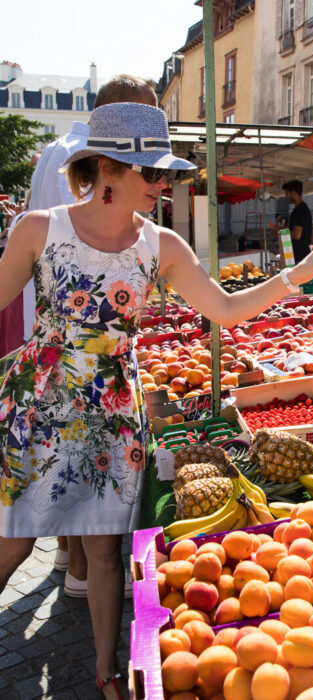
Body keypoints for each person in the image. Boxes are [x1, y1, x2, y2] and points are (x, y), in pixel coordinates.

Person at [0, 102, 313, 700]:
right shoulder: (38, 228)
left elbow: (229, 309)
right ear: (107, 168)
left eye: (166, 173)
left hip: (114, 413)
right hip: (43, 405)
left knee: (107, 550)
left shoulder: (159, 245)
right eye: (152, 172)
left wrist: (300, 272)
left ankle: (107, 671)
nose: (164, 184)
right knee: (15, 539)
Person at [23, 75, 158, 600]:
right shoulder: (94, 166)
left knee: (63, 472)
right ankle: (80, 569)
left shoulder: (60, 155)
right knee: (73, 470)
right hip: (75, 347)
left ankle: (68, 557)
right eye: (147, 118)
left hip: (57, 337)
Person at [268, 180, 313, 263]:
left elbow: (296, 235)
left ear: (294, 193)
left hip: (299, 256)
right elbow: (294, 231)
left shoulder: (300, 210)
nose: (286, 196)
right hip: (298, 255)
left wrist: (280, 231)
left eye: (287, 193)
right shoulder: (300, 209)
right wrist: (279, 230)